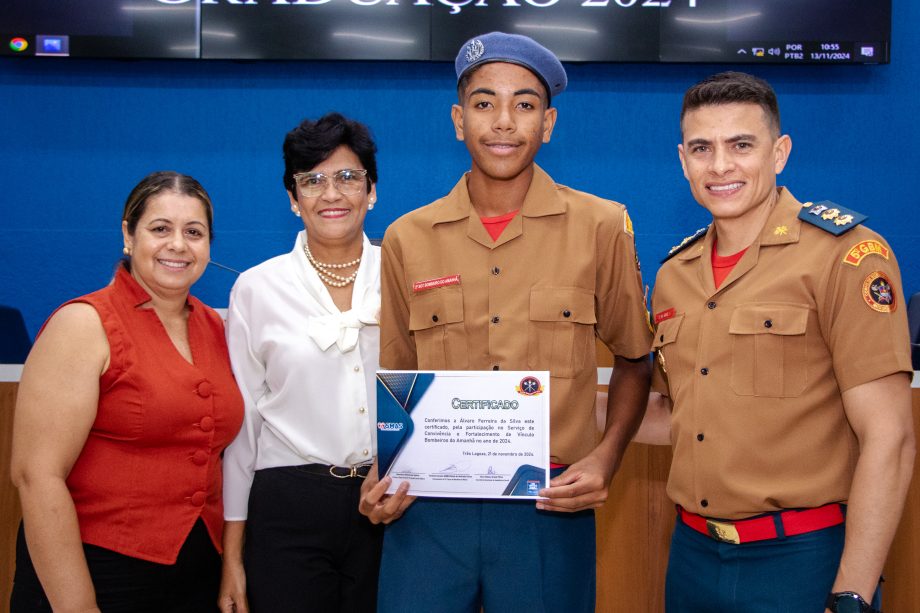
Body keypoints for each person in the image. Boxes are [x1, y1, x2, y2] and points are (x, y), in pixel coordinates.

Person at [360, 32, 652, 612]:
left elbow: (635, 359)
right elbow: (400, 379)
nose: (503, 122)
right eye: (484, 103)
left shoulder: (601, 226)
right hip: (430, 508)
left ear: (548, 123)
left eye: (524, 104)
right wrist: (382, 470)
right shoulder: (406, 238)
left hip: (549, 507)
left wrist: (608, 456)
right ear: (458, 119)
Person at [638, 71, 915, 613]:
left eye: (741, 145)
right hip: (692, 557)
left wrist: (853, 591)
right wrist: (534, 409)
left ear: (779, 152)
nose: (720, 166)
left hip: (803, 561)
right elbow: (680, 415)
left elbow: (891, 438)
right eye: (702, 148)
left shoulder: (845, 256)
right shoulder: (675, 273)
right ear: (682, 160)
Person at [10, 171, 244, 612]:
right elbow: (36, 476)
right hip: (96, 571)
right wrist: (76, 605)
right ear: (128, 234)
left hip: (195, 573)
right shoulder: (82, 324)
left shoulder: (218, 329)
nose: (178, 244)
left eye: (193, 232)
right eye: (160, 229)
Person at [218, 113, 384, 613]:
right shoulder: (256, 288)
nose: (330, 193)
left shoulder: (404, 276)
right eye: (312, 181)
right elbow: (243, 426)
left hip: (389, 502)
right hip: (287, 503)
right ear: (293, 200)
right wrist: (232, 555)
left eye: (347, 177)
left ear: (371, 191)